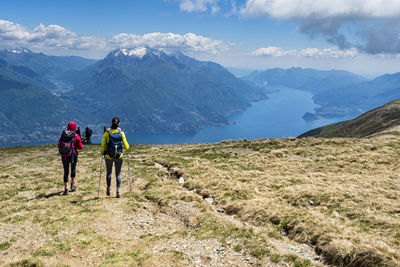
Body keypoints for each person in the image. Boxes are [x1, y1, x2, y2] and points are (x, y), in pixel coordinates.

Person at [100, 117, 129, 198]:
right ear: (118, 123)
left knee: (109, 173)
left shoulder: (107, 133)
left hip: (108, 156)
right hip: (119, 156)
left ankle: (108, 188)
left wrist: (102, 152)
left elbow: (103, 146)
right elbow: (127, 147)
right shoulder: (121, 133)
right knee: (118, 173)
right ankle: (118, 190)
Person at [58, 121, 83, 195]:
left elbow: (59, 145)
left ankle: (66, 188)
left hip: (64, 156)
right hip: (73, 155)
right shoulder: (75, 135)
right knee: (73, 168)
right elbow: (80, 147)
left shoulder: (63, 135)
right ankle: (72, 183)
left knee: (66, 170)